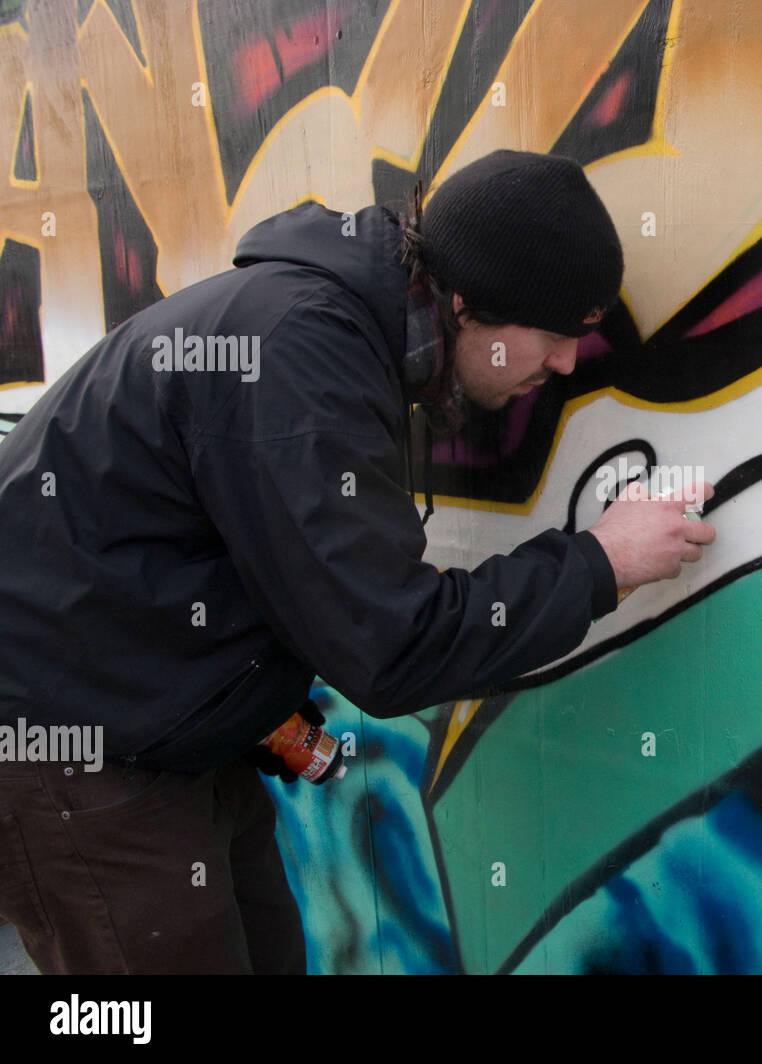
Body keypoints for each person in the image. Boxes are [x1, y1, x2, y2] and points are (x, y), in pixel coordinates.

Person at [0, 149, 715, 974]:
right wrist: (601, 562)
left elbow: (230, 553)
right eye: (553, 335)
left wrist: (240, 689)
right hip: (72, 751)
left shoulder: (331, 330)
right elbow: (394, 644)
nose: (564, 364)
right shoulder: (302, 352)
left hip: (157, 726)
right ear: (463, 302)